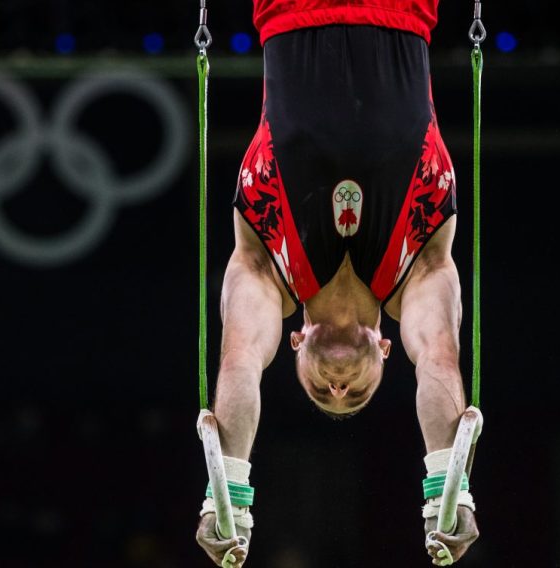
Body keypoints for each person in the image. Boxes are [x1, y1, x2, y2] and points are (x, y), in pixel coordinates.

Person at [194, 1, 480, 566]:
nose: (339, 387)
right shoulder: (419, 271)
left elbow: (240, 361)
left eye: (320, 391)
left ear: (294, 346)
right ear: (387, 350)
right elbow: (441, 361)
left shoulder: (266, 268)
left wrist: (225, 493)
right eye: (357, 392)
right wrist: (449, 491)